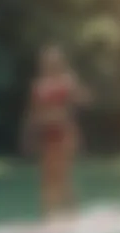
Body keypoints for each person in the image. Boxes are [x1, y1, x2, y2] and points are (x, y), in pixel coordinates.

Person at [21, 44, 91, 222]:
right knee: (47, 179)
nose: (49, 64)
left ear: (59, 62)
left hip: (64, 133)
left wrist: (76, 94)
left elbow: (83, 100)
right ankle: (48, 219)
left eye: (53, 60)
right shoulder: (38, 86)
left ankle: (74, 217)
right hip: (46, 135)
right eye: (46, 61)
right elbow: (33, 113)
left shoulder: (67, 81)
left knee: (62, 177)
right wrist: (27, 137)